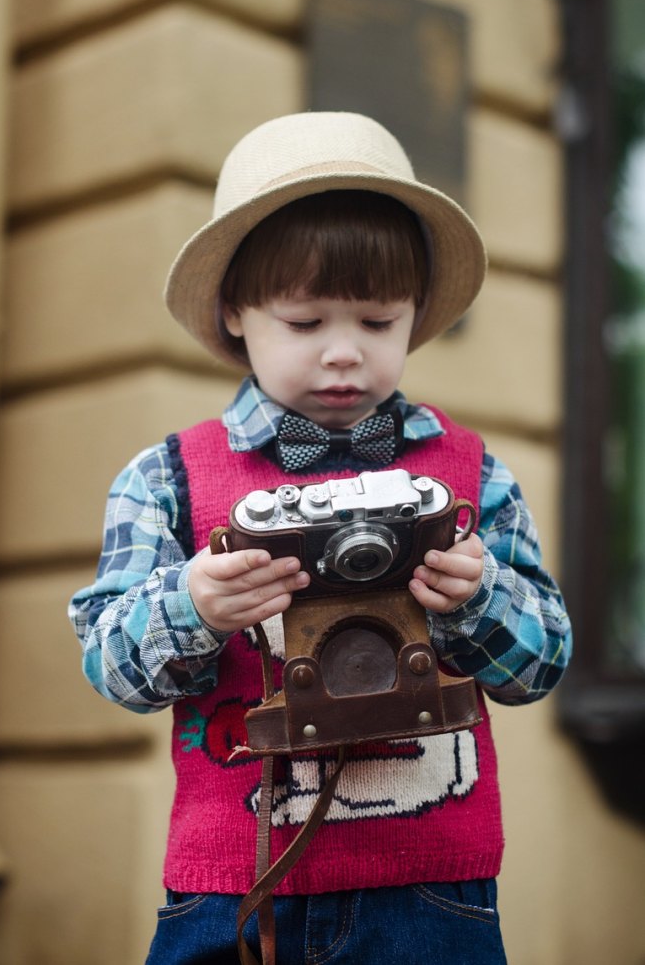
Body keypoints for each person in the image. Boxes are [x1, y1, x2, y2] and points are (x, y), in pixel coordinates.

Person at [69, 111, 572, 965]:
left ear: (416, 315)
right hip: (230, 887)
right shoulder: (166, 479)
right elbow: (111, 669)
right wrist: (194, 605)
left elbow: (544, 661)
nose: (344, 355)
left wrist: (478, 597)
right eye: (304, 324)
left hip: (428, 889)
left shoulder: (469, 471)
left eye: (378, 323)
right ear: (235, 312)